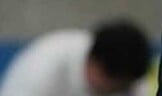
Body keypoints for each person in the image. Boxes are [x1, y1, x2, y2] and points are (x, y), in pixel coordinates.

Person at [0, 20, 151, 96]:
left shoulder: (130, 78)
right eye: (114, 86)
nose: (116, 92)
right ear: (95, 65)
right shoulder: (42, 72)